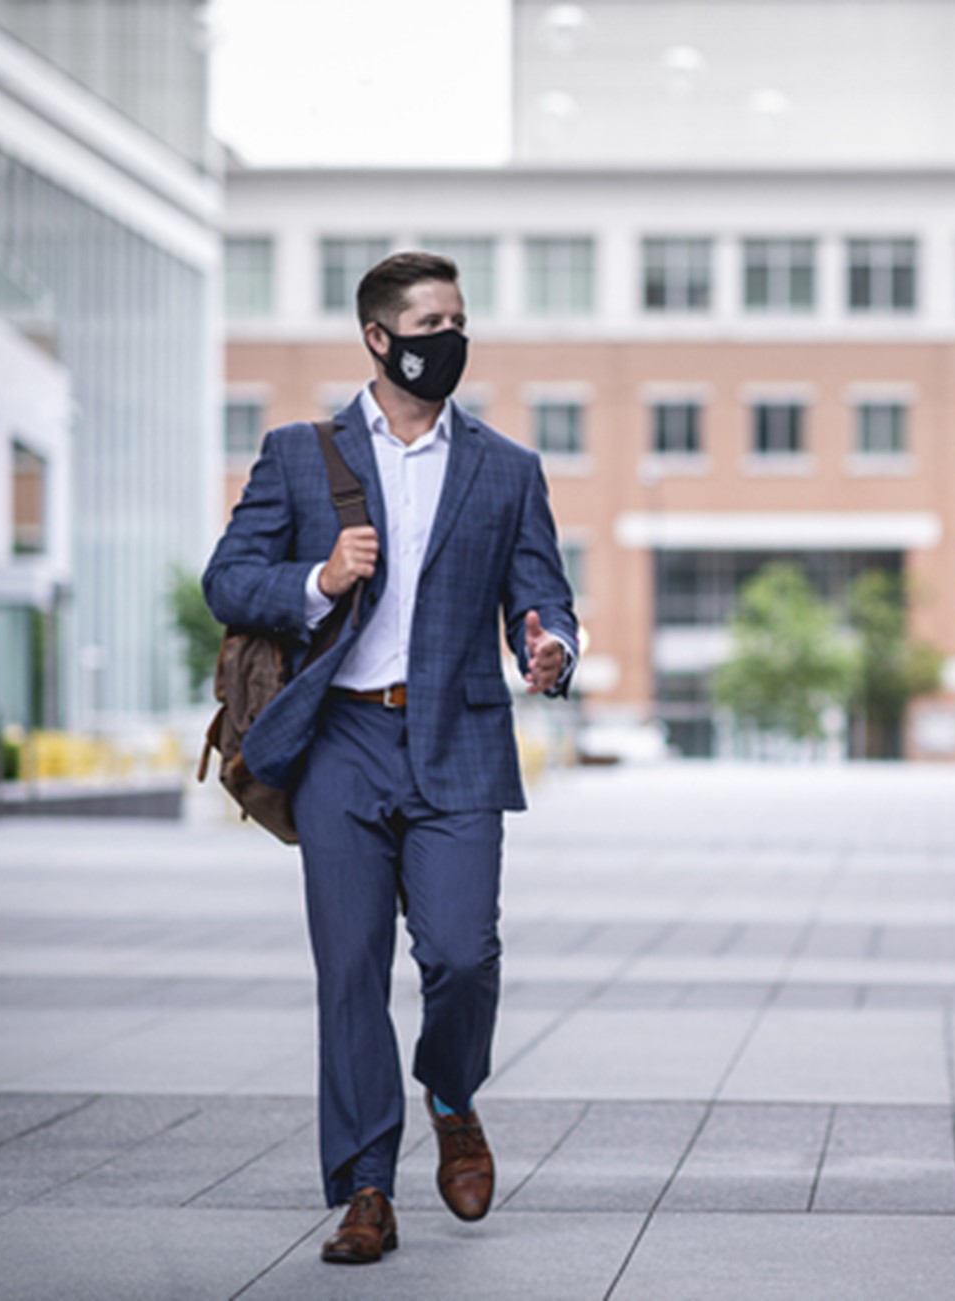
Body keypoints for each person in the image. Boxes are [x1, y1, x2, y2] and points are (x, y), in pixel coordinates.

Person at [204, 251, 578, 1265]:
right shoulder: (298, 454)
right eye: (428, 321)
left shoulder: (506, 467)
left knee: (462, 954)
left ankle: (452, 1093)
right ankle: (366, 1182)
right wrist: (318, 580)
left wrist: (549, 646)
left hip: (457, 736)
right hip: (343, 741)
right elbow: (227, 579)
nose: (447, 338)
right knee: (351, 969)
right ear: (378, 337)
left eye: (458, 319)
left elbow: (542, 594)